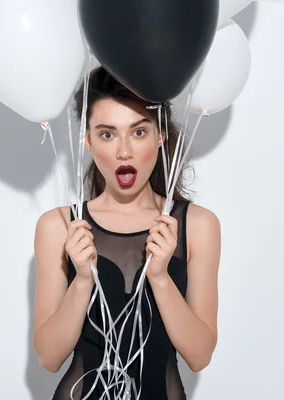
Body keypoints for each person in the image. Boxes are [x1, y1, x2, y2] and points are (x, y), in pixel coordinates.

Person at [32, 66, 221, 399]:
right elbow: (49, 358)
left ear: (160, 134)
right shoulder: (58, 226)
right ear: (87, 140)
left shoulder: (198, 225)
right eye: (107, 134)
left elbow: (200, 355)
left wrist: (160, 277)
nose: (123, 151)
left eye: (138, 132)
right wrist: (81, 281)